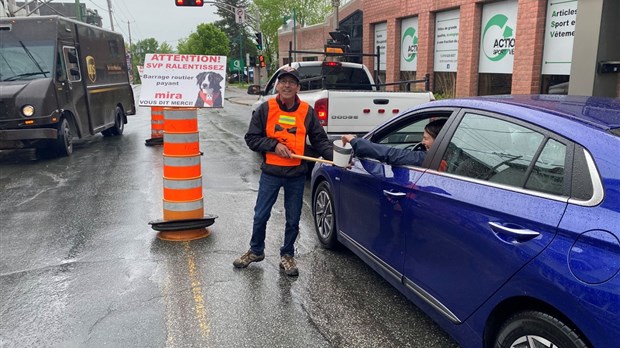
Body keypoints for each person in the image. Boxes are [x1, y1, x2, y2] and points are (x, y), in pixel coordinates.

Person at [234, 66, 333, 277]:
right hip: (271, 173)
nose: (287, 85)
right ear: (278, 85)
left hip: (296, 174)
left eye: (292, 82)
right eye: (283, 81)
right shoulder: (266, 108)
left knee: (293, 218)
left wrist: (337, 156)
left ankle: (287, 255)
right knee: (261, 215)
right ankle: (256, 250)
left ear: (298, 87)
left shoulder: (307, 111)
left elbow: (320, 140)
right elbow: (251, 138)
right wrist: (274, 145)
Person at [341, 118, 447, 167]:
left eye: (426, 138)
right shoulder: (455, 155)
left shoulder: (426, 158)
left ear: (439, 140)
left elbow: (391, 154)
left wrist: (355, 141)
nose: (422, 142)